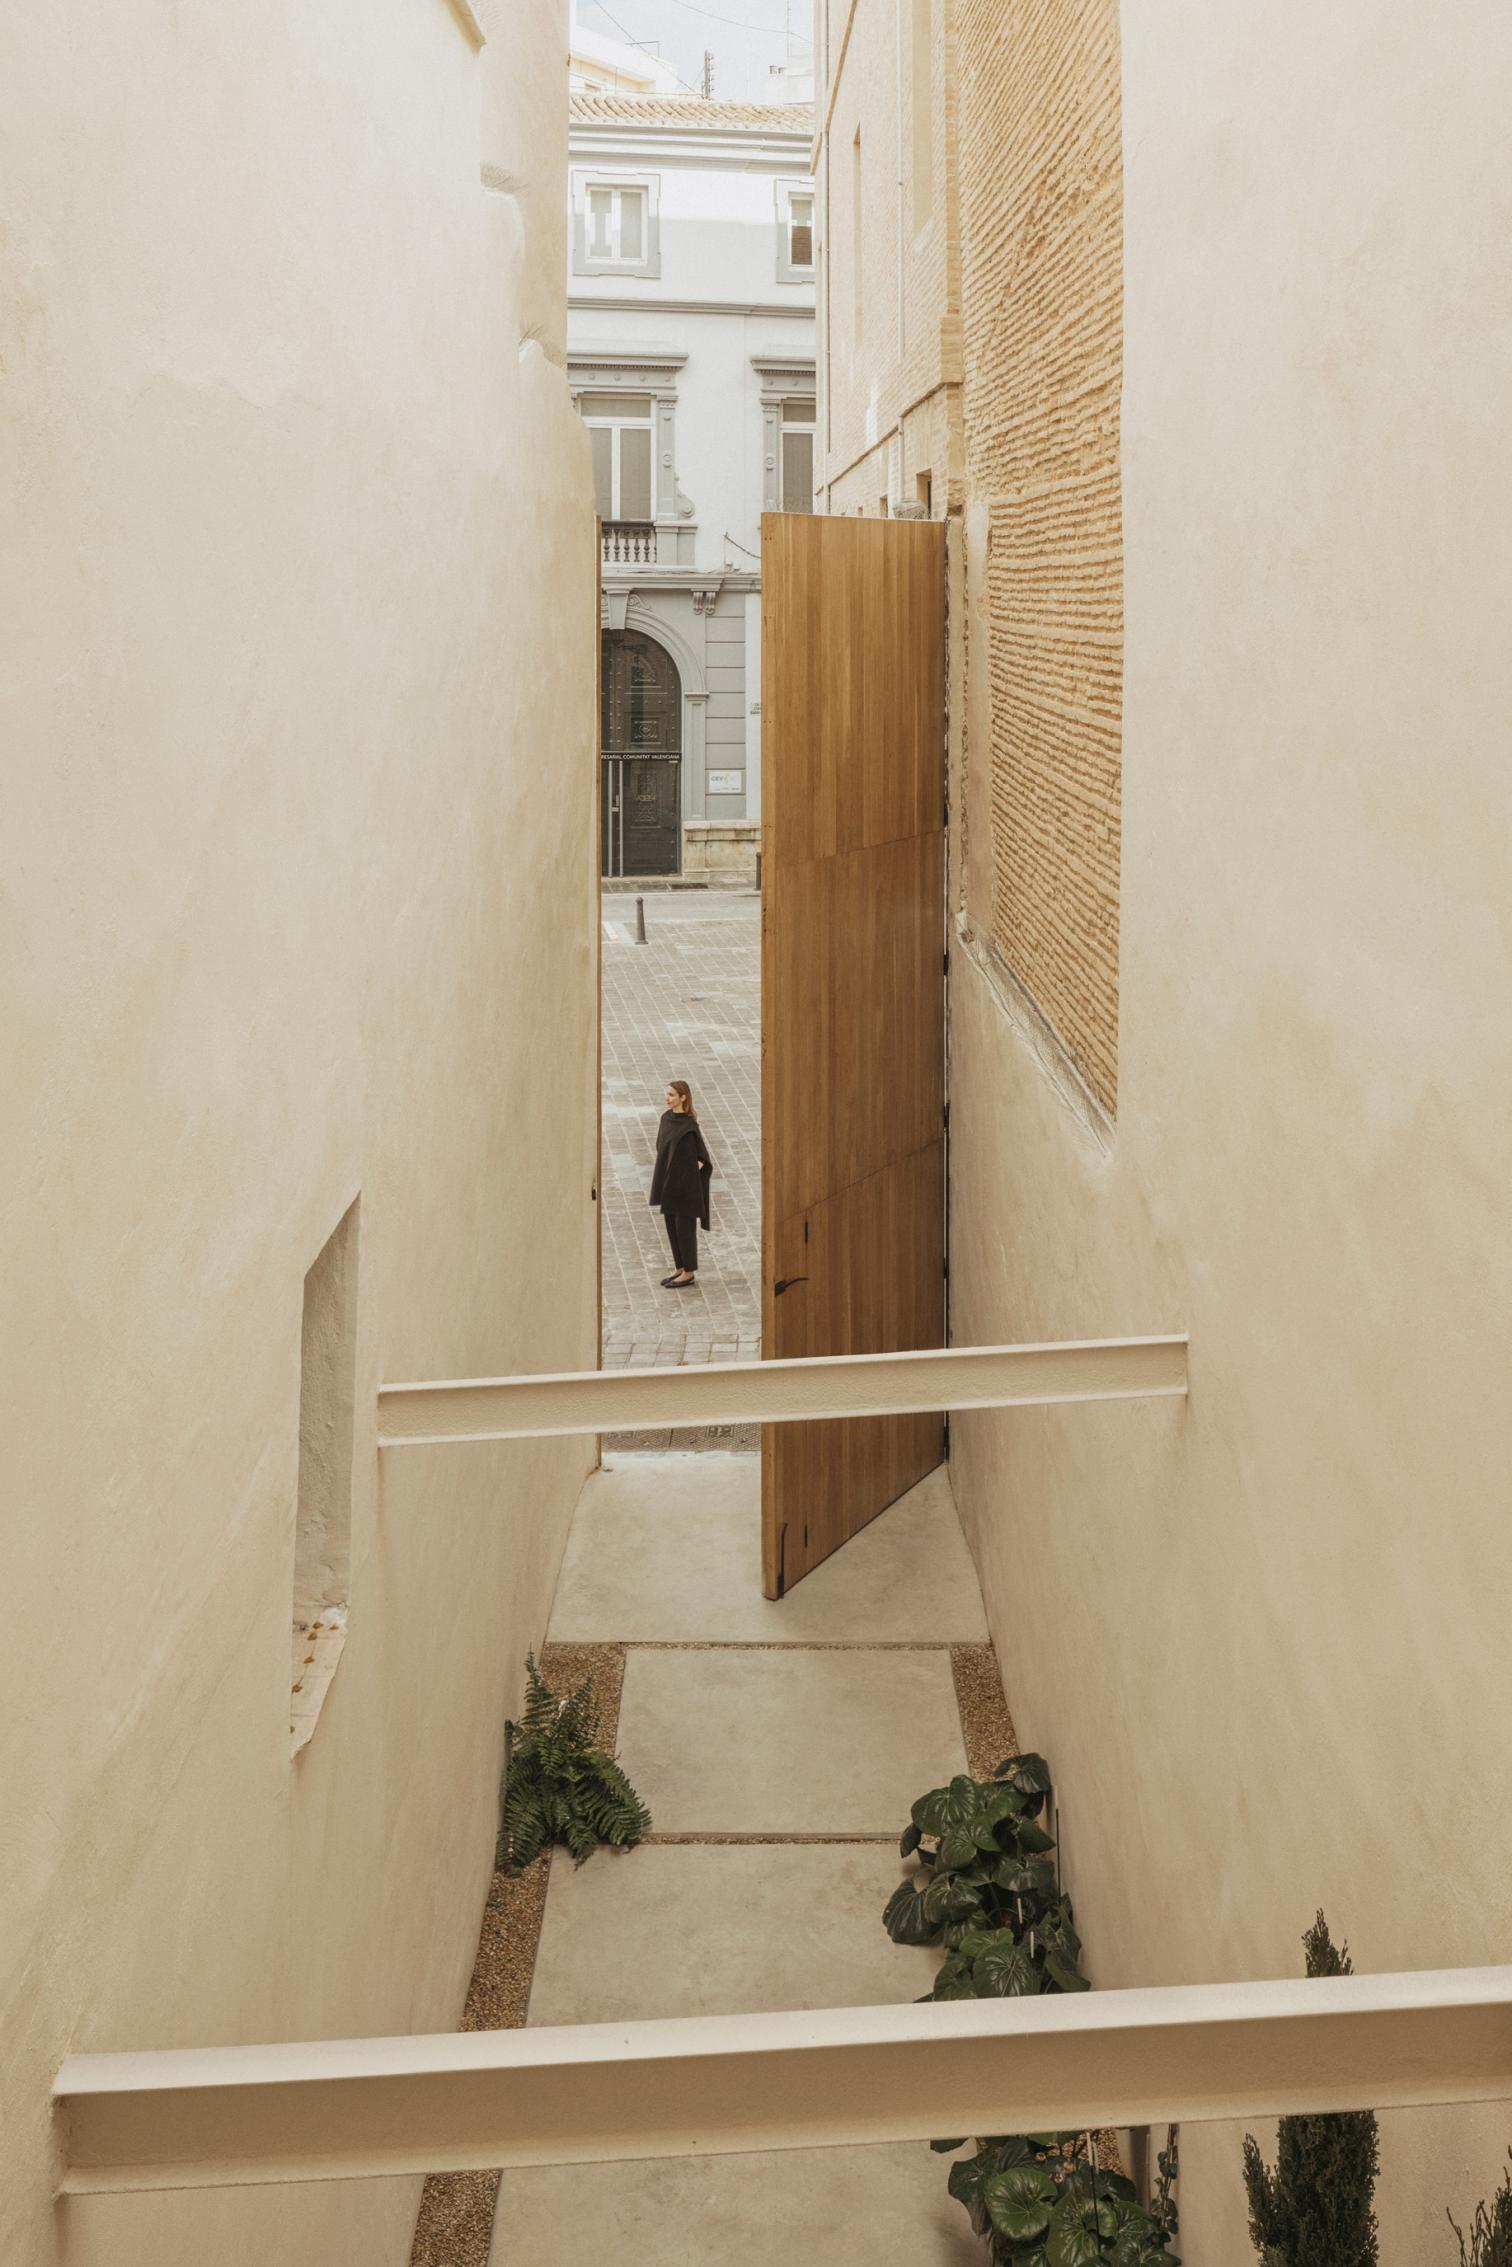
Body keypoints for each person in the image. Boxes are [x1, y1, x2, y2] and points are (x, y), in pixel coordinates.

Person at [649, 1079, 713, 1290]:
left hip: (685, 1187)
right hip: (669, 1183)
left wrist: (685, 1173)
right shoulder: (666, 1119)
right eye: (667, 1094)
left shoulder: (689, 1126)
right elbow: (661, 1147)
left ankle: (689, 1272)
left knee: (684, 1229)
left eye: (672, 1095)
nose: (667, 1099)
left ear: (683, 1097)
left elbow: (702, 1158)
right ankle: (679, 1267)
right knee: (671, 1226)